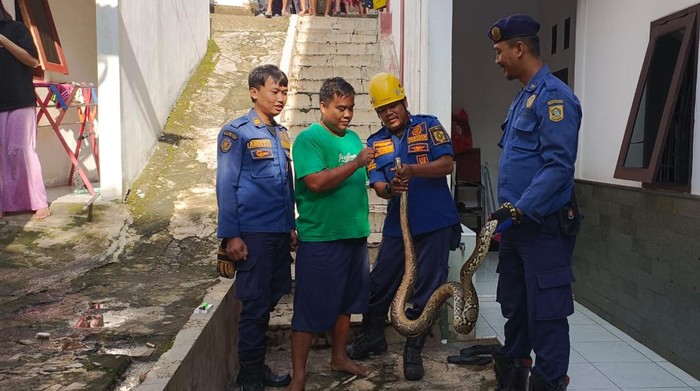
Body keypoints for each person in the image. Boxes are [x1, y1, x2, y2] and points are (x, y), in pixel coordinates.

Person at [486, 14, 582, 391]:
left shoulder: (554, 97)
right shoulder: (522, 98)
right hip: (515, 228)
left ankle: (549, 381)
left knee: (547, 314)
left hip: (541, 227)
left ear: (520, 48)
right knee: (515, 307)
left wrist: (521, 208)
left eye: (500, 51)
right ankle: (515, 373)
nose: (497, 59)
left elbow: (558, 166)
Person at [346, 72, 461, 381]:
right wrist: (390, 189)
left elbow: (447, 164)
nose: (389, 113)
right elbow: (378, 184)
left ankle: (413, 346)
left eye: (393, 105)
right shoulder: (374, 143)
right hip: (399, 226)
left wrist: (413, 169)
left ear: (404, 101)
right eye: (382, 109)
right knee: (380, 281)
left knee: (427, 285)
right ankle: (373, 336)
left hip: (435, 222)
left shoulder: (429, 125)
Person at [287, 77, 374, 391]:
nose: (347, 114)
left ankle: (339, 357)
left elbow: (363, 180)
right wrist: (356, 162)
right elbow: (316, 183)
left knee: (346, 304)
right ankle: (299, 375)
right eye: (340, 108)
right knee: (309, 308)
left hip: (354, 235)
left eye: (350, 107)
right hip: (322, 238)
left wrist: (389, 186)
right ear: (322, 106)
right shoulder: (309, 139)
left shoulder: (353, 139)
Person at [216, 64, 296, 391]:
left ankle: (256, 368)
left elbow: (285, 184)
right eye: (275, 91)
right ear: (254, 92)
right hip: (253, 235)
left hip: (278, 232)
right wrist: (231, 234)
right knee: (254, 307)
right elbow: (226, 185)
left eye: (284, 92)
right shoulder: (236, 133)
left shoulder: (281, 134)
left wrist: (291, 226)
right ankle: (249, 380)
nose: (281, 98)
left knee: (270, 299)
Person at [0, 4, 50, 220]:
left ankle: (38, 201)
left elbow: (33, 60)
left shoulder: (17, 29)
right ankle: (4, 204)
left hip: (20, 99)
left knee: (22, 151)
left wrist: (2, 40)